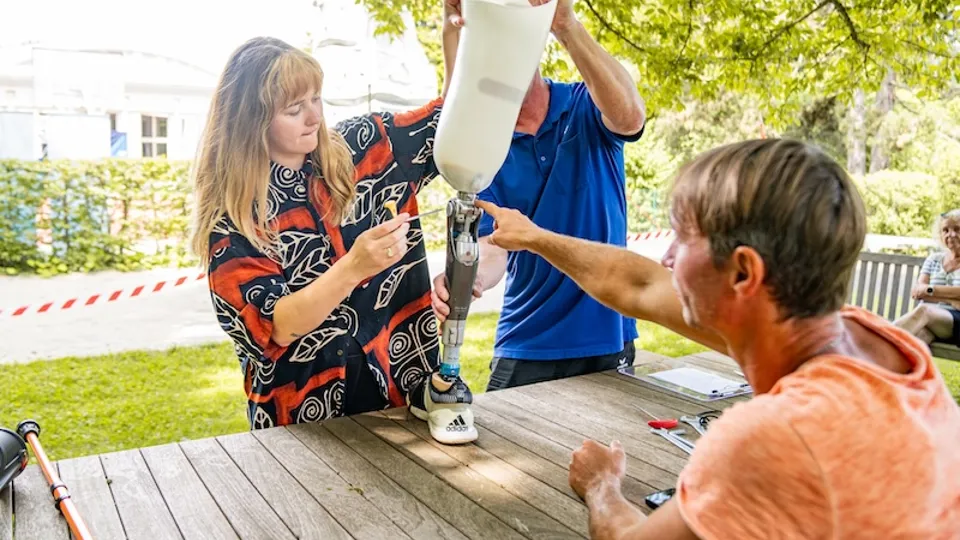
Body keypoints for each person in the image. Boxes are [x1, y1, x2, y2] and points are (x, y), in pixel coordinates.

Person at [477, 139, 960, 538]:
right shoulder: (874, 340)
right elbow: (638, 285)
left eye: (683, 238)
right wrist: (536, 237)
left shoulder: (779, 434)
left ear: (745, 272)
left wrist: (602, 484)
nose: (667, 257)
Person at [190, 27, 461, 430]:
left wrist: (456, 29)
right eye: (294, 108)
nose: (315, 116)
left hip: (404, 390)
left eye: (315, 98)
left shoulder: (368, 145)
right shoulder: (233, 219)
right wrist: (353, 268)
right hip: (303, 420)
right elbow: (279, 324)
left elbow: (454, 120)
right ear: (252, 122)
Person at [432, 0, 647, 391]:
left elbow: (631, 117)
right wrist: (470, 277)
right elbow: (494, 247)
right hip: (526, 344)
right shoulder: (485, 148)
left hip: (607, 337)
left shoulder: (585, 104)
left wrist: (565, 24)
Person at [895, 209, 960, 347]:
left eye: (957, 229)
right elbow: (917, 292)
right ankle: (879, 367)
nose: (951, 234)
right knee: (919, 339)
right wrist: (951, 299)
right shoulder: (934, 259)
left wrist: (930, 290)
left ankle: (875, 341)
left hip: (955, 323)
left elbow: (925, 292)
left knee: (924, 311)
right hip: (933, 323)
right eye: (945, 230)